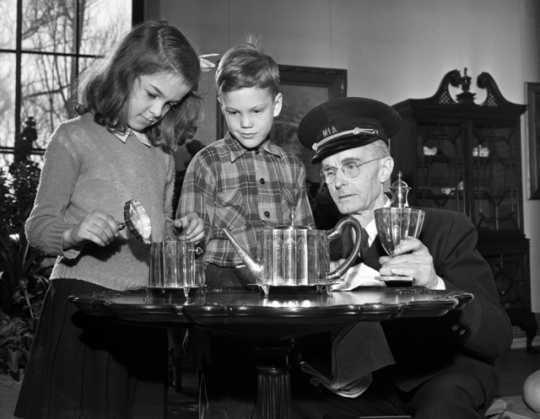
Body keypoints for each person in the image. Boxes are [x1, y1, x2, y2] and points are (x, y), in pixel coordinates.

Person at [15, 21, 205, 419]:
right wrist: (73, 232)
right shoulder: (73, 137)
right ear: (125, 71)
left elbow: (159, 236)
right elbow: (37, 227)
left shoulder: (162, 157)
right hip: (82, 305)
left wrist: (183, 236)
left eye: (169, 104)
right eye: (152, 94)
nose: (157, 112)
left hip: (143, 311)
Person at [294, 97, 513, 419]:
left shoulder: (444, 228)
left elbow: (498, 337)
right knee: (282, 401)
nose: (338, 181)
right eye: (329, 170)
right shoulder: (325, 243)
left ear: (385, 168)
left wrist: (436, 284)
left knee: (442, 406)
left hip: (444, 374)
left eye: (351, 166)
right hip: (367, 383)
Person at [177, 41, 314, 288]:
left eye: (256, 111)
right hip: (220, 286)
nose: (246, 123)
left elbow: (305, 239)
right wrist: (189, 233)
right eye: (234, 113)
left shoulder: (293, 167)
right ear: (222, 107)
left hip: (280, 286)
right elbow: (186, 252)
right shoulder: (207, 163)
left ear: (277, 105)